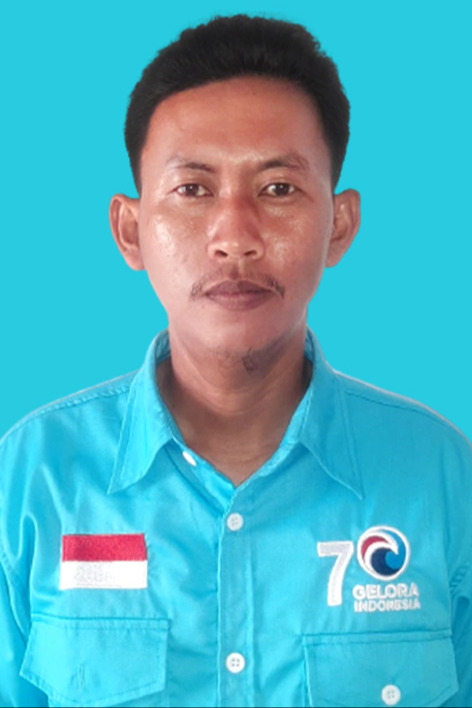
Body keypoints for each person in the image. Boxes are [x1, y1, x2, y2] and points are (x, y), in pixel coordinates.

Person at [0, 14, 471, 708]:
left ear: (338, 225)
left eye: (278, 189)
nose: (235, 237)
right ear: (131, 231)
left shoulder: (439, 475)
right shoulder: (31, 477)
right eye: (193, 189)